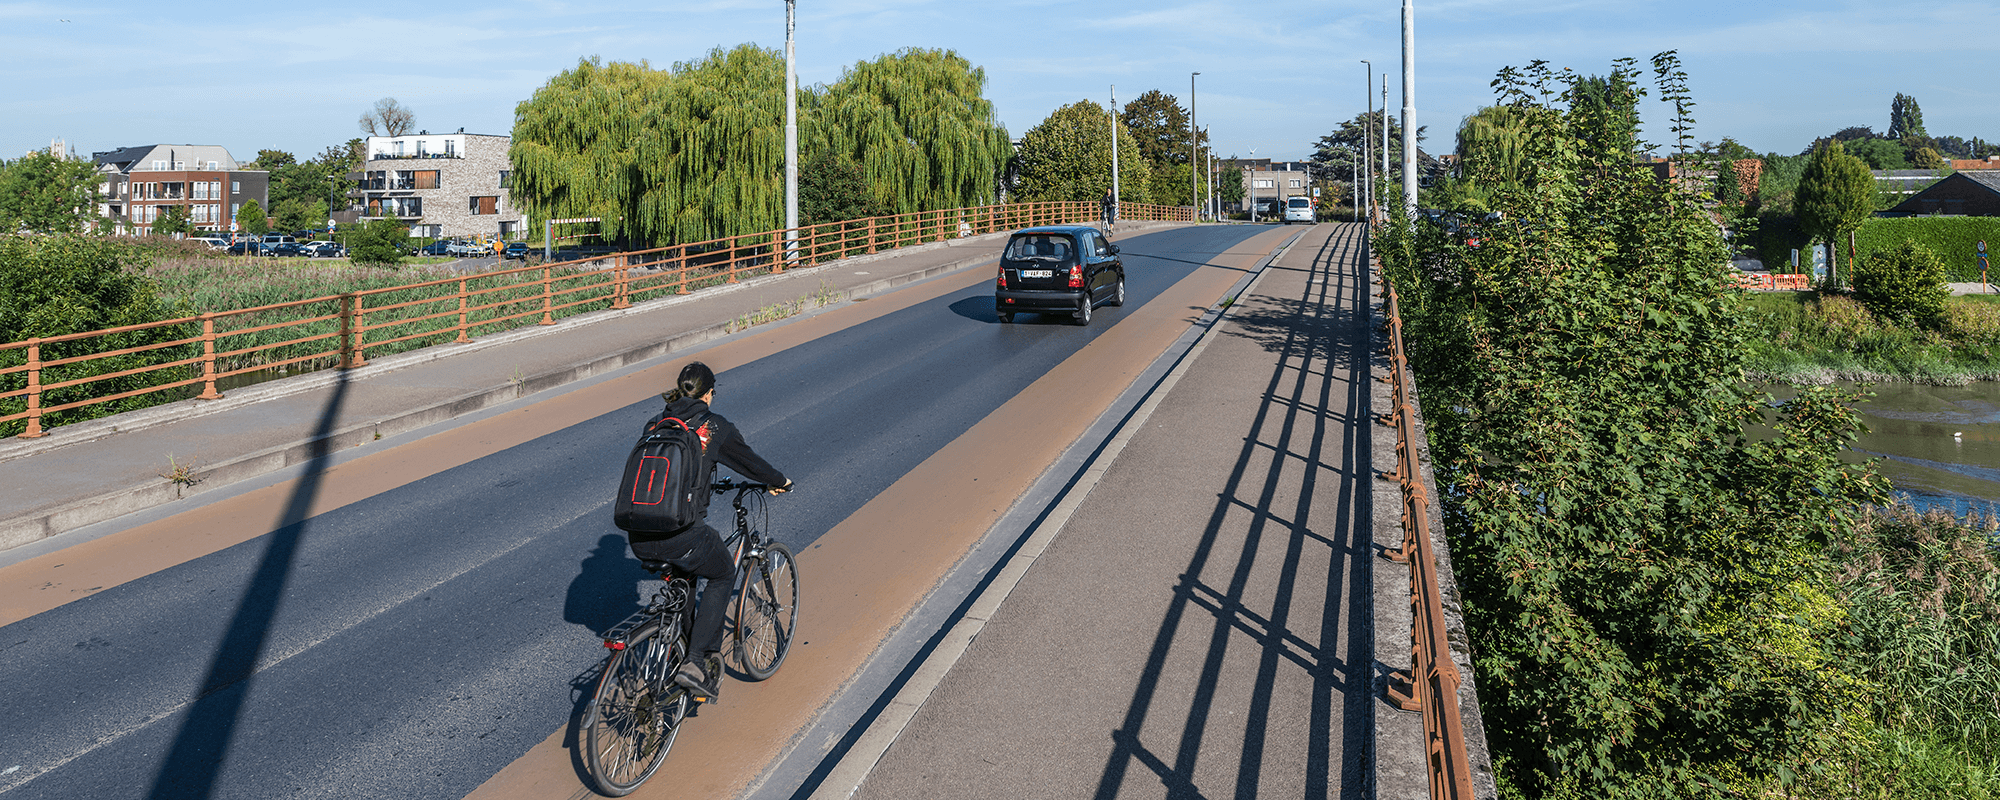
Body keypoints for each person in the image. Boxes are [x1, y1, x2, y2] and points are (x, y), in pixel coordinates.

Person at [628, 361, 792, 701]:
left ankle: (679, 652)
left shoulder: (656, 423)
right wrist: (779, 482)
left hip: (639, 535)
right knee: (721, 572)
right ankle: (696, 661)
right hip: (682, 534)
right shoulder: (713, 427)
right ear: (709, 393)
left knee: (684, 579)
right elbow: (751, 462)